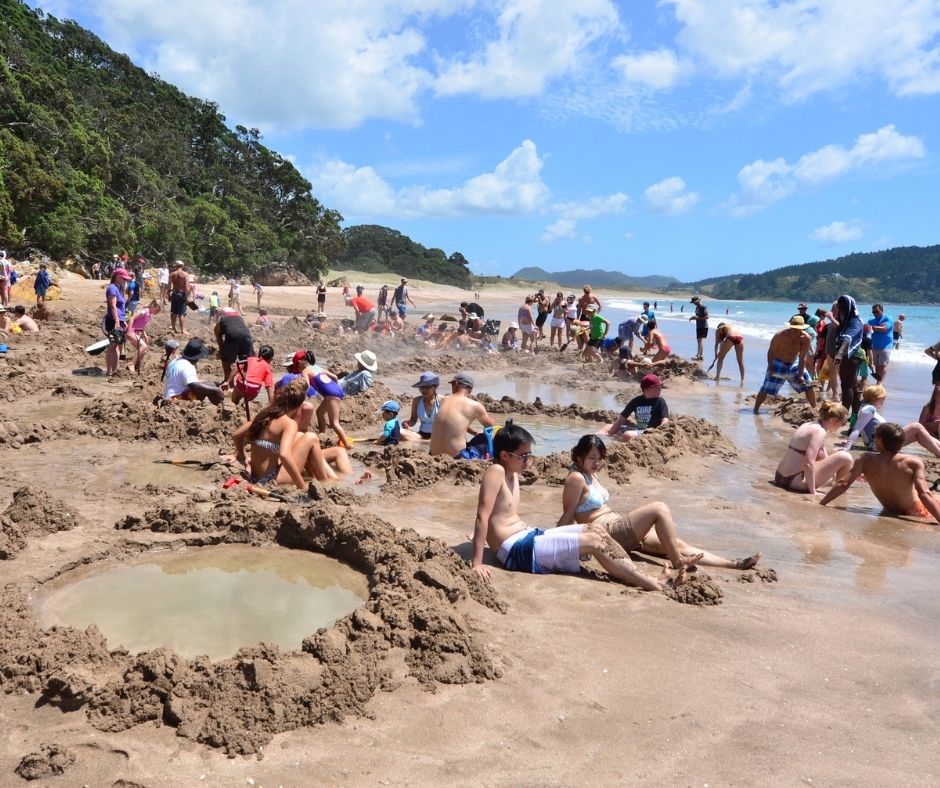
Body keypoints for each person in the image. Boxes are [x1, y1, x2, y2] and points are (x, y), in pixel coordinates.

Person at [471, 424, 690, 590]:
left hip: (527, 537)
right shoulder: (496, 472)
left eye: (530, 455)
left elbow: (495, 514)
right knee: (594, 541)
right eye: (524, 456)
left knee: (596, 530)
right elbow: (483, 515)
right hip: (516, 550)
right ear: (504, 455)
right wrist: (477, 563)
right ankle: (654, 584)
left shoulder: (512, 474)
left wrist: (478, 535)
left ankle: (644, 577)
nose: (529, 461)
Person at [560, 435, 760, 572]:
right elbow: (568, 515)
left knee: (675, 543)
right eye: (592, 458)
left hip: (620, 527)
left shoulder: (591, 474)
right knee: (659, 508)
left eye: (600, 458)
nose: (597, 462)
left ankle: (733, 564)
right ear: (579, 457)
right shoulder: (576, 478)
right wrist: (566, 548)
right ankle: (678, 562)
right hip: (607, 532)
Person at [233, 378, 347, 488]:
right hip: (270, 479)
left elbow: (236, 436)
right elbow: (284, 455)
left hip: (255, 477)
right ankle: (325, 483)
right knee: (311, 437)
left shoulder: (263, 416)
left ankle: (318, 477)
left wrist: (244, 458)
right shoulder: (288, 423)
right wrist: (301, 484)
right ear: (298, 406)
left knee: (300, 436)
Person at [821, 422, 940, 524]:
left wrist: (822, 503)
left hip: (890, 510)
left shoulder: (865, 459)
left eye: (874, 436)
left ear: (880, 440)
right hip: (916, 511)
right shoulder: (913, 463)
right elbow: (924, 494)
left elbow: (843, 483)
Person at [773, 401, 853, 492]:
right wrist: (813, 492)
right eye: (842, 424)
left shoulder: (808, 425)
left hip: (780, 476)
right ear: (834, 420)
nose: (841, 427)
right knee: (846, 457)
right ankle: (839, 492)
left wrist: (853, 472)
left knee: (831, 478)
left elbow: (823, 459)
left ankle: (837, 487)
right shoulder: (819, 432)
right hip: (794, 481)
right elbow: (808, 463)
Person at [844, 384, 940, 456]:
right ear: (876, 397)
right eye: (883, 397)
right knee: (916, 427)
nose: (884, 399)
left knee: (917, 434)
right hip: (879, 445)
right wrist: (848, 446)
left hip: (882, 442)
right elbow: (857, 429)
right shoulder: (868, 410)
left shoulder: (867, 407)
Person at [752, 316, 818, 414]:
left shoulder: (805, 338)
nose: (796, 332)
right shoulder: (780, 335)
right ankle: (756, 409)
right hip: (778, 361)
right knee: (766, 387)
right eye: (794, 329)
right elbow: (771, 352)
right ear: (790, 327)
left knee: (808, 384)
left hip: (794, 362)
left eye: (799, 329)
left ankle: (814, 409)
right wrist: (770, 367)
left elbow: (803, 357)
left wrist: (800, 375)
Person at [429, 372, 496, 458]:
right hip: (458, 457)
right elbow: (490, 425)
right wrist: (492, 420)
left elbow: (454, 423)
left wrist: (474, 432)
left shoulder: (444, 399)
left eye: (452, 384)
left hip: (433, 454)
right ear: (470, 389)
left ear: (456, 383)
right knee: (483, 437)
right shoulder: (475, 405)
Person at [603, 373, 669, 440]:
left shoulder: (660, 401)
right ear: (647, 389)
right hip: (638, 429)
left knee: (627, 435)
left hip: (650, 432)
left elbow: (665, 420)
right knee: (607, 427)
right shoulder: (637, 401)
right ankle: (596, 443)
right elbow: (621, 419)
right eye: (658, 387)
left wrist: (659, 432)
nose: (660, 389)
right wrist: (610, 434)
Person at [162, 338, 224, 404]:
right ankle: (218, 408)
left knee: (211, 384)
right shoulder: (187, 366)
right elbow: (194, 386)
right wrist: (215, 390)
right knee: (210, 389)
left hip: (169, 396)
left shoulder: (176, 361)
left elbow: (190, 382)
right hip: (176, 399)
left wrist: (214, 384)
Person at [103, 266, 133, 377]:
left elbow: (121, 307)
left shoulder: (119, 289)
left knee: (117, 345)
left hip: (120, 321)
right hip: (113, 321)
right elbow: (113, 306)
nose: (125, 281)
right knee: (112, 346)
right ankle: (110, 371)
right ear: (118, 277)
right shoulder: (112, 288)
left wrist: (123, 320)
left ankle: (114, 371)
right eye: (124, 278)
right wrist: (116, 321)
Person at [214, 307, 254, 382]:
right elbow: (244, 332)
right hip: (247, 336)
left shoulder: (221, 320)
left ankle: (229, 384)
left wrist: (222, 352)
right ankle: (245, 384)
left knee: (226, 362)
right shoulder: (239, 318)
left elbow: (219, 338)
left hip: (233, 336)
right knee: (245, 363)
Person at [402, 372, 441, 439]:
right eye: (422, 387)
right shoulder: (416, 401)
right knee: (401, 433)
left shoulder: (442, 400)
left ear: (435, 387)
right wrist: (407, 423)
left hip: (439, 436)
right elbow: (413, 420)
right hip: (421, 435)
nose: (424, 390)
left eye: (427, 387)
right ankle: (426, 442)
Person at [125, 300, 161, 373]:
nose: (157, 312)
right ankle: (131, 363)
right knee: (143, 346)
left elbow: (142, 326)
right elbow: (132, 318)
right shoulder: (145, 311)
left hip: (136, 333)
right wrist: (129, 331)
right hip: (131, 331)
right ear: (152, 306)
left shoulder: (149, 314)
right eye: (157, 310)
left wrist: (145, 334)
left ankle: (140, 368)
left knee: (143, 351)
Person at [867, 303, 894, 384]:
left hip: (885, 345)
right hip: (874, 345)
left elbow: (884, 328)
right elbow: (867, 329)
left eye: (877, 311)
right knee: (877, 366)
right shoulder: (871, 320)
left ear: (882, 311)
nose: (875, 313)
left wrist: (873, 327)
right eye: (873, 312)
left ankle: (880, 383)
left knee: (883, 365)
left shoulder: (888, 318)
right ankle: (878, 382)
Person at [168, 260, 189, 334]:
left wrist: (168, 295)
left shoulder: (172, 274)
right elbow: (186, 286)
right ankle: (182, 330)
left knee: (173, 312)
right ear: (182, 266)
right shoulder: (185, 274)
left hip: (174, 294)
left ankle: (173, 328)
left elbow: (169, 286)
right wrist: (187, 296)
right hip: (181, 294)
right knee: (182, 313)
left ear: (176, 266)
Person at [689, 296, 709, 360]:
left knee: (699, 341)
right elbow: (698, 316)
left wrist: (697, 318)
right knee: (700, 341)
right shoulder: (697, 308)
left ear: (698, 301)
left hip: (703, 326)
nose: (694, 304)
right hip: (699, 326)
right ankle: (701, 355)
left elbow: (707, 317)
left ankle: (698, 355)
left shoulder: (703, 307)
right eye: (693, 303)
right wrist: (693, 317)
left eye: (695, 302)